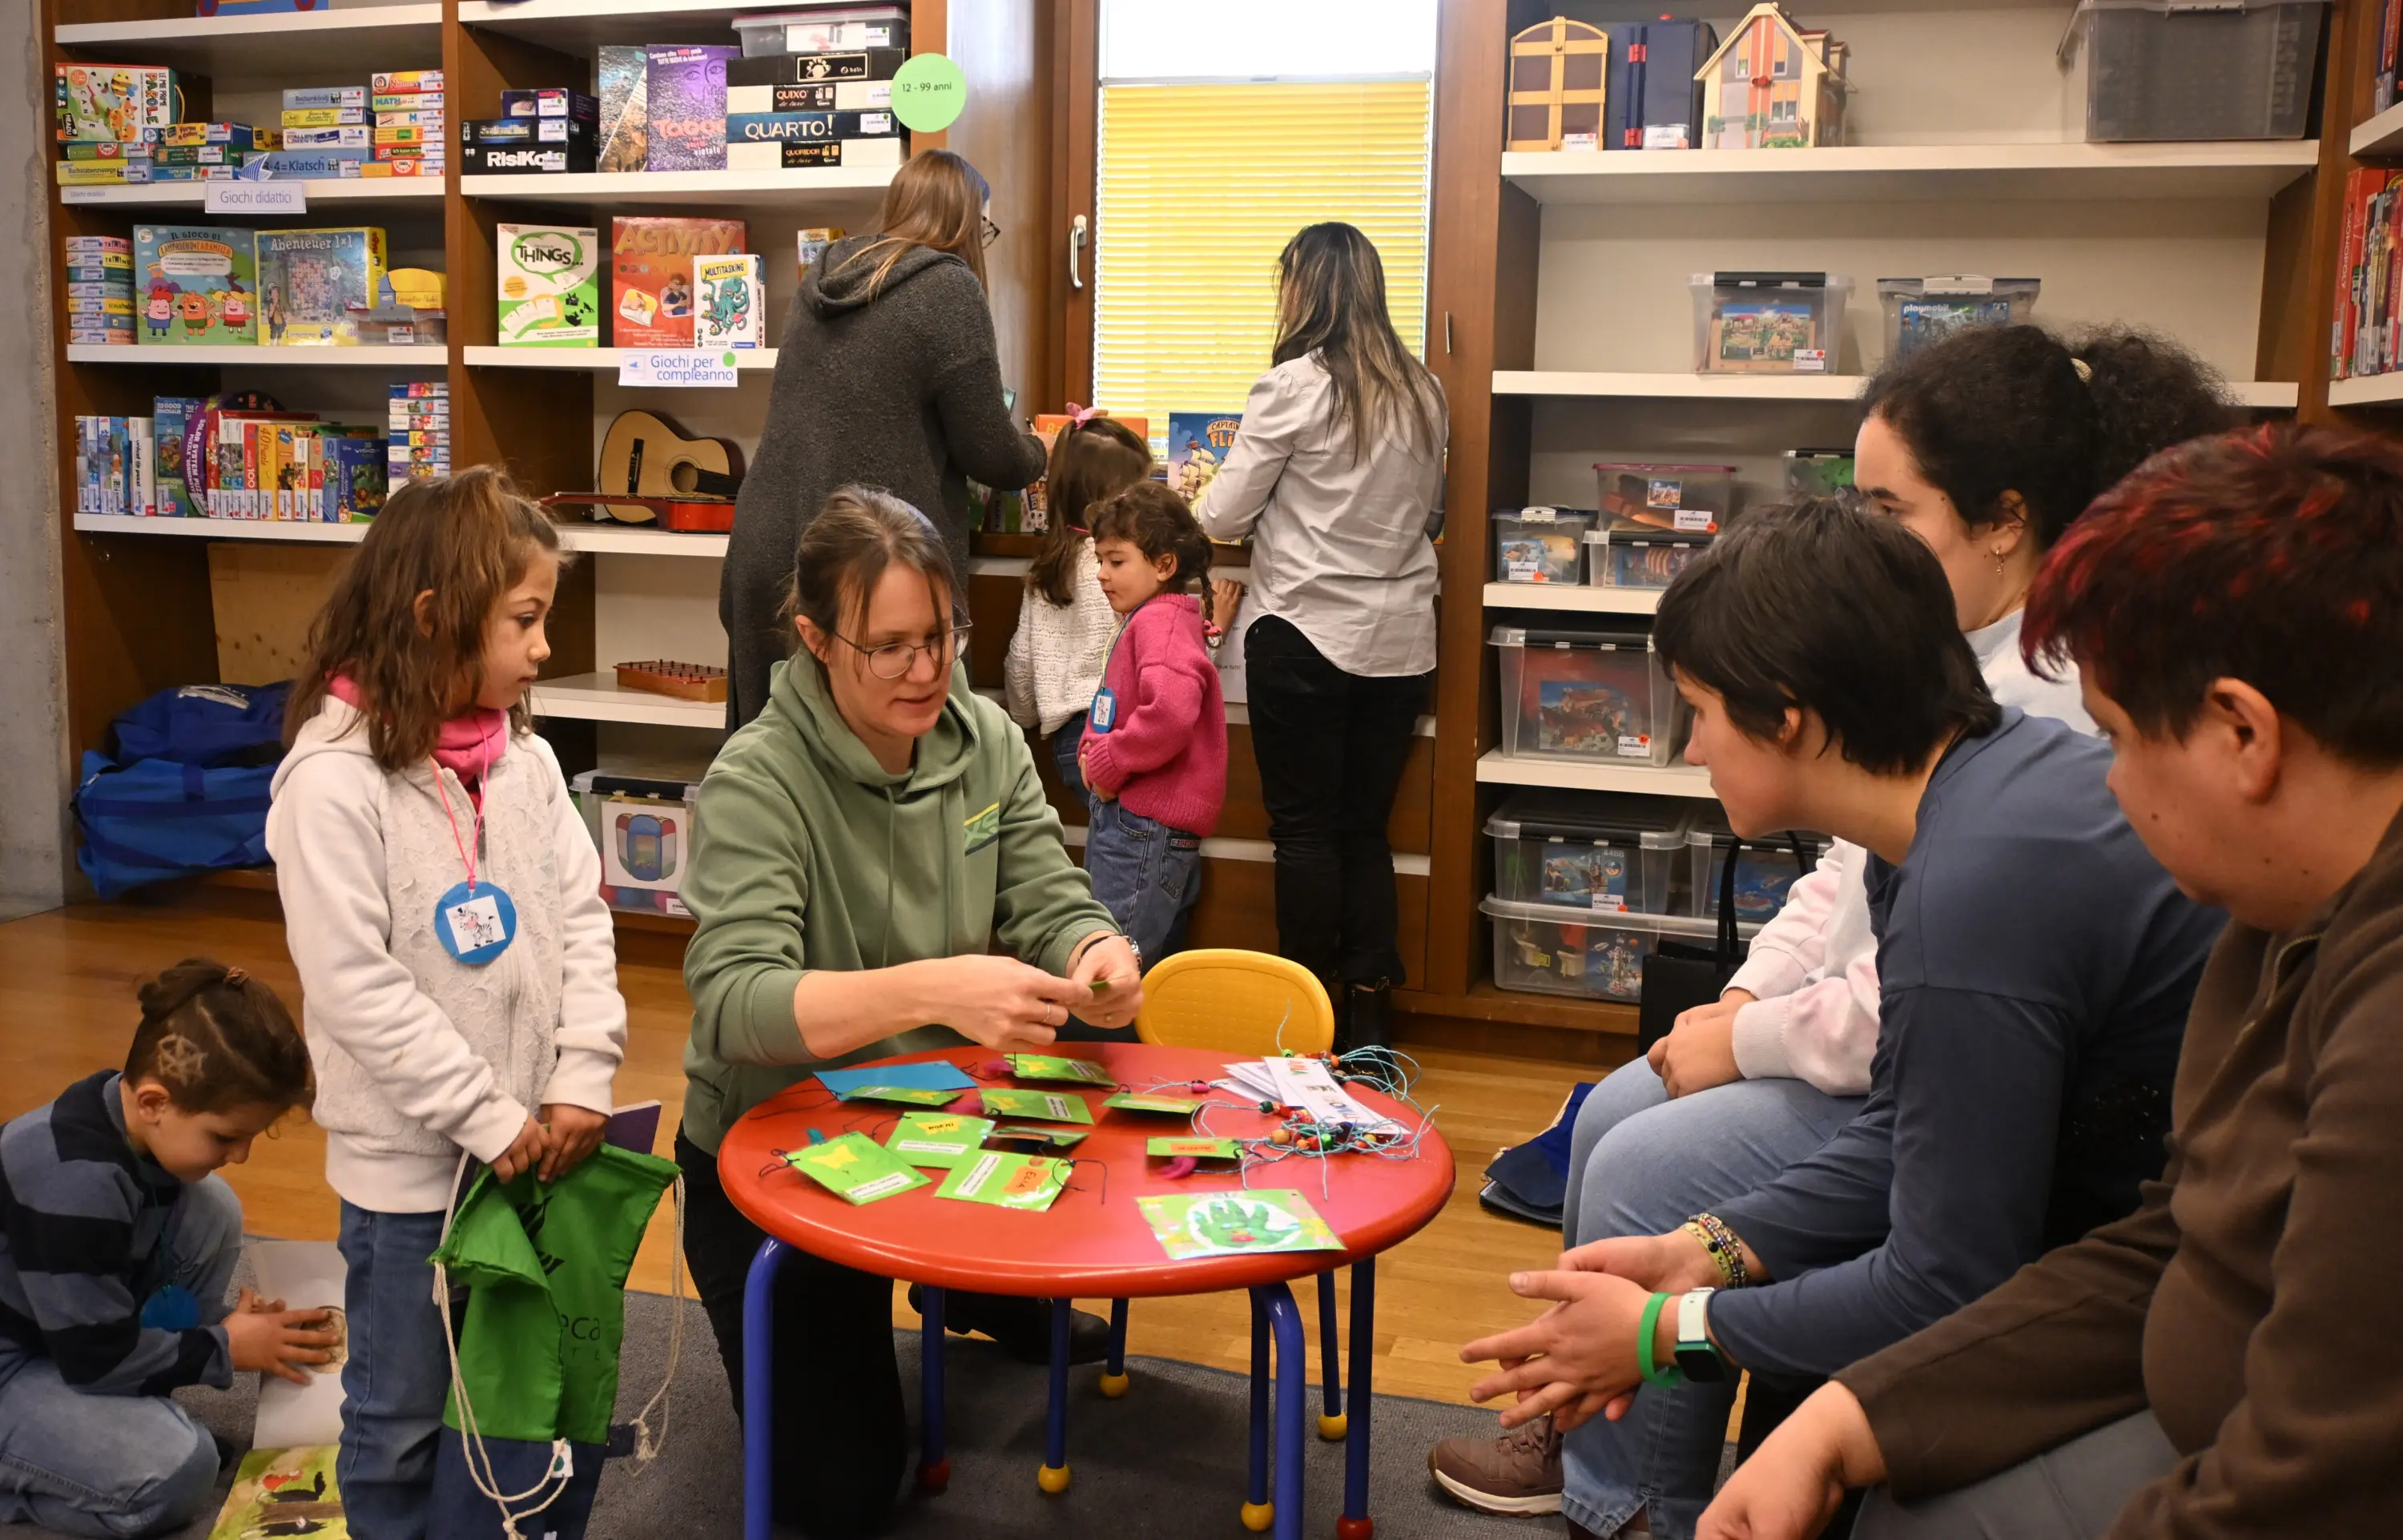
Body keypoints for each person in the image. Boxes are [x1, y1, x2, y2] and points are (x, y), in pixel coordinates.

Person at [1428, 325, 2239, 1524]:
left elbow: (1944, 1277)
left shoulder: (1974, 884)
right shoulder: (1952, 805)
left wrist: (1667, 1330)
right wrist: (1712, 1250)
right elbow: (1910, 1130)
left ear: (1791, 717)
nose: (1689, 749)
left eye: (1700, 712)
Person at [1698, 423, 2403, 1540]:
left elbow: (2314, 1482)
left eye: (2118, 738)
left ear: (2242, 733)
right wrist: (1857, 1410)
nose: (2109, 785)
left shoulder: (2380, 1018)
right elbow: (2176, 1240)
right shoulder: (2273, 920)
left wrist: (1687, 1328)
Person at [678, 487, 1145, 1539]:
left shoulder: (985, 738)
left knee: (1093, 1047)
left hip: (941, 1121)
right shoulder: (758, 777)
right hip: (780, 1153)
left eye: (940, 635)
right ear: (814, 640)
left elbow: (1048, 897)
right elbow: (736, 1004)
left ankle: (968, 1283)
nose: (926, 669)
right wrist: (940, 987)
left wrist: (1096, 952)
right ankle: (948, 1281)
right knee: (836, 1497)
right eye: (888, 647)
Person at [268, 469, 627, 1540]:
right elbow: (357, 989)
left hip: (527, 1157)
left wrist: (582, 1071)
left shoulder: (530, 763)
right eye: (524, 620)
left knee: (508, 1399)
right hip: (412, 1182)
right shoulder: (330, 784)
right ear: (433, 617)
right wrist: (485, 1115)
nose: (544, 648)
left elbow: (583, 917)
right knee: (398, 1418)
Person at [1196, 221, 1447, 1049]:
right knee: (1363, 828)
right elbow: (1431, 514)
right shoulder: (1424, 392)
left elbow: (1223, 513)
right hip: (1399, 640)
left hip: (1303, 631)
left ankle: (1305, 1022)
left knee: (1303, 832)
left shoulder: (1293, 386)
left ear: (1304, 291)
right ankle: (1370, 1013)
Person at [0, 959, 332, 1538]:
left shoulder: (125, 1119)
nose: (241, 1154)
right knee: (182, 1471)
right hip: (19, 1366)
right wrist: (225, 1345)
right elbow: (96, 1360)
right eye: (226, 1136)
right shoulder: (74, 1182)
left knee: (214, 1207)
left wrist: (219, 1328)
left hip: (62, 1338)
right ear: (154, 1102)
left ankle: (115, 1418)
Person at [723, 149, 1048, 728]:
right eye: (984, 226)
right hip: (868, 564)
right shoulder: (948, 287)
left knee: (774, 755)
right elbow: (990, 452)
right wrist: (1045, 450)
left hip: (767, 545)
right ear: (965, 220)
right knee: (889, 756)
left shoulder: (824, 275)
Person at [1075, 480, 1229, 963]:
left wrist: (1108, 760)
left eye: (1117, 561)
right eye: (1100, 560)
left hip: (1140, 828)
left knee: (1108, 965)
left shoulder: (1158, 624)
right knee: (1139, 964)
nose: (1102, 574)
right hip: (1144, 827)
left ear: (1164, 565)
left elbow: (1170, 713)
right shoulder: (1159, 618)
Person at [1003, 412, 1156, 807]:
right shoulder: (1128, 571)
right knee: (1132, 840)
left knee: (1108, 835)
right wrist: (1217, 630)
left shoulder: (1047, 571)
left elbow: (1021, 664)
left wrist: (1024, 719)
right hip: (1121, 737)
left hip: (1071, 746)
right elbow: (1161, 652)